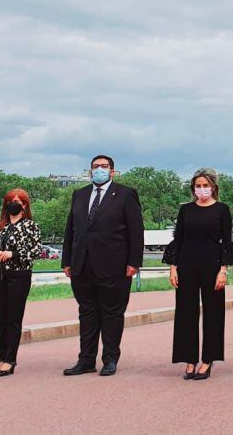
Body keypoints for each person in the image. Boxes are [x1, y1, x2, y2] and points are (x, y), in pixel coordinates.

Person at [61, 155, 144, 377]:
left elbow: (136, 230)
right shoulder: (80, 195)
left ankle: (110, 358)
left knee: (112, 314)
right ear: (90, 171)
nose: (99, 170)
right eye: (95, 167)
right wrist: (66, 260)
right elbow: (71, 229)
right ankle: (86, 360)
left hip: (114, 266)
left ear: (113, 171)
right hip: (82, 265)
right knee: (86, 314)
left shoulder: (126, 194)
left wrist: (134, 262)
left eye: (104, 167)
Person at [170, 168, 233, 380]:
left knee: (213, 313)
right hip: (186, 264)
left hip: (213, 265)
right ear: (193, 188)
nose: (202, 189)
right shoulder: (186, 210)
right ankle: (189, 360)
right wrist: (173, 267)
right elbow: (178, 239)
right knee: (186, 313)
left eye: (205, 186)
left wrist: (223, 270)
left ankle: (208, 360)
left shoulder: (222, 210)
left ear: (214, 187)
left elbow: (226, 241)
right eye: (198, 186)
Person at [0, 188, 41, 377]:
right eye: (11, 200)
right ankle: (2, 357)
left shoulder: (31, 226)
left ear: (24, 205)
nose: (14, 203)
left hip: (19, 276)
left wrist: (13, 254)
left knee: (13, 318)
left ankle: (10, 360)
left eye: (19, 201)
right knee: (2, 319)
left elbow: (37, 251)